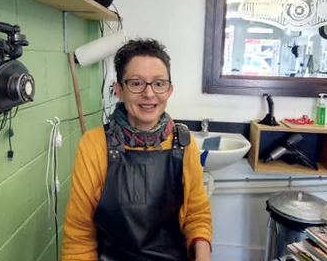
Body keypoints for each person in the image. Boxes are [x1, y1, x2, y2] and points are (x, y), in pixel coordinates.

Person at [61, 38, 213, 261]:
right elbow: (79, 237)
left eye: (158, 83)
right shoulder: (94, 145)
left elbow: (196, 215)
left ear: (169, 90)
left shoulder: (182, 141)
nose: (149, 94)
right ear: (119, 90)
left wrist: (202, 253)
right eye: (136, 83)